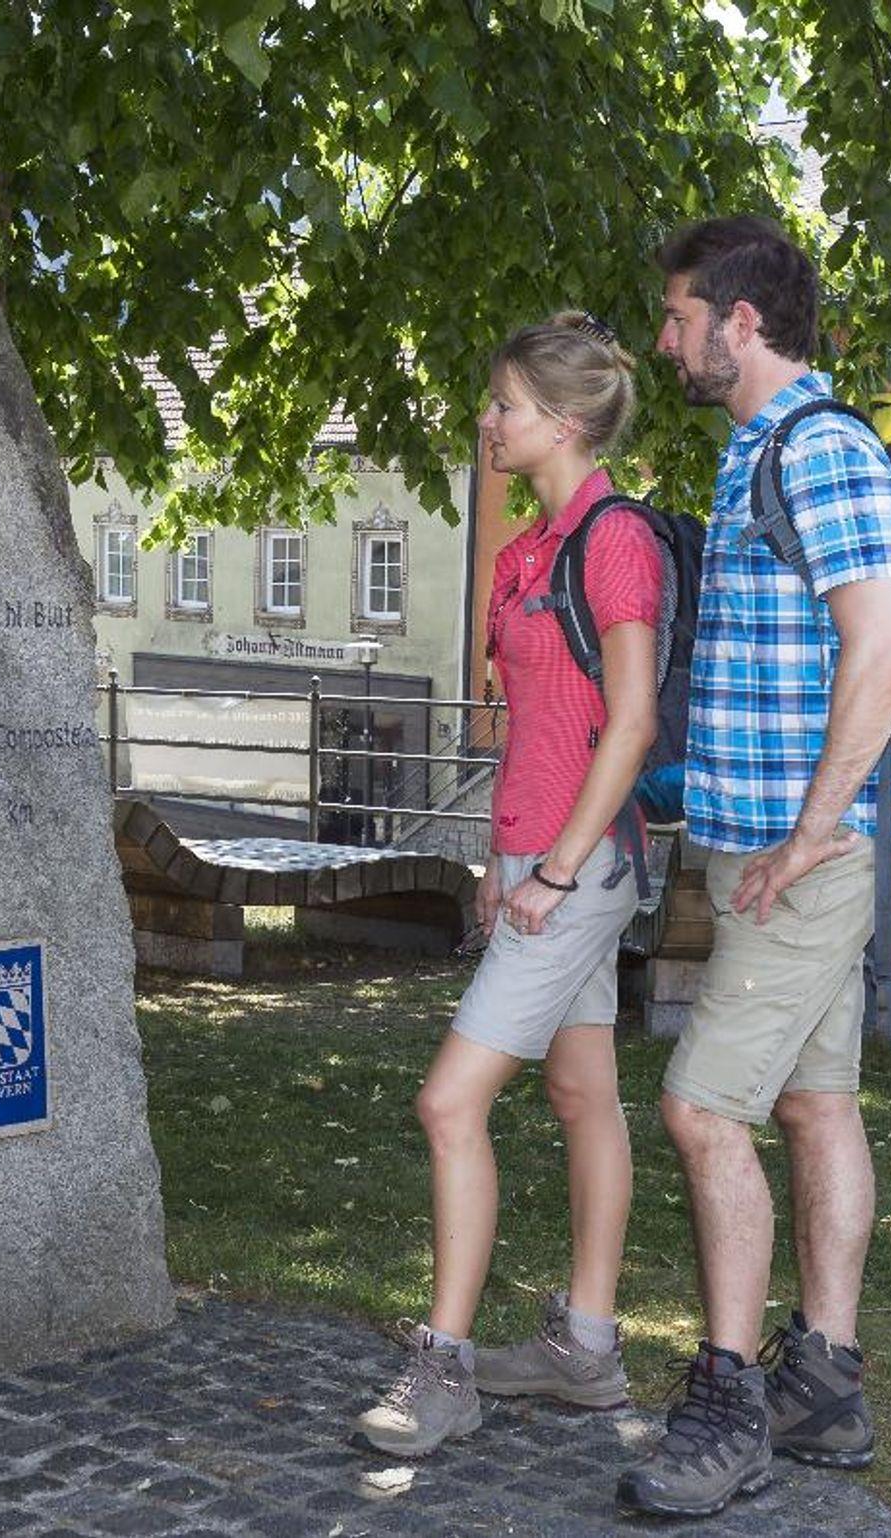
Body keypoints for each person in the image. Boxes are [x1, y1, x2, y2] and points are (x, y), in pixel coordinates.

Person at [615, 216, 891, 1520]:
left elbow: (884, 645)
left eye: (680, 314)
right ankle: (825, 1386)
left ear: (740, 321)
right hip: (771, 842)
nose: (664, 337)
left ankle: (728, 1403)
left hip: (811, 850)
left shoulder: (820, 448)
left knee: (700, 1109)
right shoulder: (759, 450)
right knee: (811, 1101)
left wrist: (803, 836)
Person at [351, 312, 661, 1457]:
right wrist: (501, 859)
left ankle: (443, 1368)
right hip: (538, 860)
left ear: (566, 422)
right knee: (581, 1096)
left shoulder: (613, 538)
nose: (486, 420)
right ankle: (585, 1347)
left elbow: (628, 723)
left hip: (582, 863)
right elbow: (530, 727)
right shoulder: (525, 550)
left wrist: (559, 870)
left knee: (448, 1103)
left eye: (506, 405)